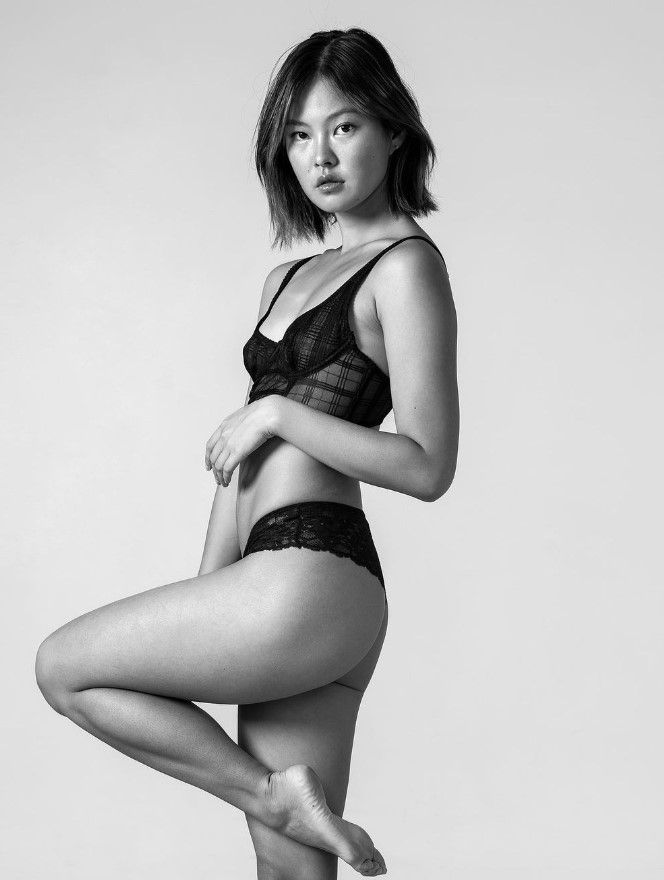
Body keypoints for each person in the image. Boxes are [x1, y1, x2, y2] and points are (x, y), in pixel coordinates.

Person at [35, 27, 459, 880]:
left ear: (393, 131)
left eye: (344, 127)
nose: (320, 156)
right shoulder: (287, 280)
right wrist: (207, 588)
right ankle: (280, 803)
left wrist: (278, 415)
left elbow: (426, 464)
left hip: (313, 574)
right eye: (299, 135)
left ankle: (271, 794)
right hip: (272, 580)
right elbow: (240, 462)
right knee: (291, 871)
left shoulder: (406, 267)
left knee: (64, 668)